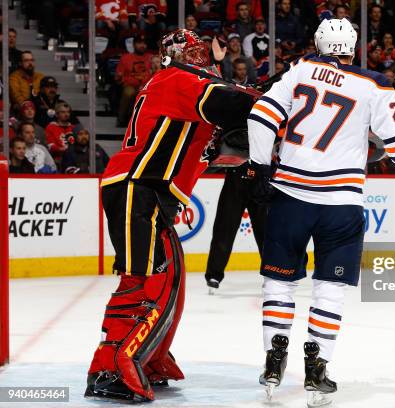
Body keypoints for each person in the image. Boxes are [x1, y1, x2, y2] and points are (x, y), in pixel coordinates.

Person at [246, 18, 395, 405]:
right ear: (352, 47)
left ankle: (273, 358)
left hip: (291, 196)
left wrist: (260, 167)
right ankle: (318, 367)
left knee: (279, 283)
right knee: (329, 290)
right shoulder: (374, 84)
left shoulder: (299, 70)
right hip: (341, 204)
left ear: (317, 43)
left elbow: (261, 116)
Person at [85, 29, 255, 403]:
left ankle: (149, 355)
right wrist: (269, 98)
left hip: (150, 192)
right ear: (180, 57)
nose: (201, 59)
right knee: (143, 282)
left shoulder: (177, 87)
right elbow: (232, 103)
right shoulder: (178, 80)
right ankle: (110, 366)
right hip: (137, 187)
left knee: (170, 277)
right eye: (194, 53)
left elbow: (213, 149)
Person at [204, 160, 267, 292]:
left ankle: (271, 274)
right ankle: (214, 275)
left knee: (266, 232)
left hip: (261, 177)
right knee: (225, 227)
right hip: (236, 173)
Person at [115, 33, 153, 126]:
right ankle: (121, 119)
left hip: (148, 87)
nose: (142, 45)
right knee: (129, 92)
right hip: (130, 85)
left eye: (144, 43)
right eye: (139, 43)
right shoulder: (126, 58)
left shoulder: (151, 58)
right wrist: (122, 79)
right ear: (134, 44)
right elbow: (118, 76)